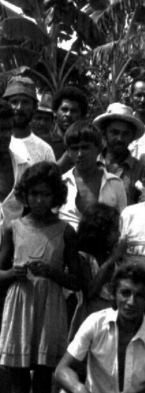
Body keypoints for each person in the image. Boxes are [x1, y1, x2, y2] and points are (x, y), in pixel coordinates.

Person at [0, 162, 81, 393]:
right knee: (18, 380)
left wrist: (52, 272)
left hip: (50, 310)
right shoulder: (13, 228)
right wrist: (14, 273)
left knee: (44, 378)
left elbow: (77, 281)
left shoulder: (65, 231)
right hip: (20, 308)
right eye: (34, 194)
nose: (39, 200)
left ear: (56, 196)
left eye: (45, 194)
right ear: (25, 195)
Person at [55, 262, 145, 393]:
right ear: (114, 294)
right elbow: (62, 369)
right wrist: (78, 388)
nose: (131, 302)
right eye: (125, 293)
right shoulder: (96, 323)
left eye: (139, 296)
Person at [59, 121, 127, 229]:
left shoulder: (115, 184)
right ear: (68, 151)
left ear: (99, 149)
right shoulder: (60, 183)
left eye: (85, 147)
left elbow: (123, 223)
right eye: (75, 149)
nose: (80, 154)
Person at [72, 204, 124, 327]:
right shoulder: (84, 258)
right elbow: (90, 292)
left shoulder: (114, 258)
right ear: (100, 231)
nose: (119, 234)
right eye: (115, 230)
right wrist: (111, 260)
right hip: (91, 324)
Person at [94, 102, 145, 205]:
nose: (119, 138)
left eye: (125, 134)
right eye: (114, 132)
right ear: (105, 133)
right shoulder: (92, 164)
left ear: (132, 137)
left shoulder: (140, 169)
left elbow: (143, 205)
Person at [4, 76, 55, 164]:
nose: (19, 108)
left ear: (34, 107)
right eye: (14, 102)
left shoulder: (45, 151)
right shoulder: (2, 144)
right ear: (6, 104)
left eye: (25, 102)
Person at [0, 100, 30, 226]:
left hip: (14, 243)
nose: (6, 135)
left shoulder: (23, 166)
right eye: (0, 130)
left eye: (9, 129)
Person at [52, 86, 89, 172]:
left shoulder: (88, 144)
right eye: (64, 109)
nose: (68, 114)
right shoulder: (44, 143)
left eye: (74, 111)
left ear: (81, 115)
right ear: (55, 112)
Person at [31, 94, 65, 159]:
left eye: (46, 119)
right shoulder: (21, 141)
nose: (42, 123)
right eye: (38, 118)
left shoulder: (60, 144)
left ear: (52, 123)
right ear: (31, 120)